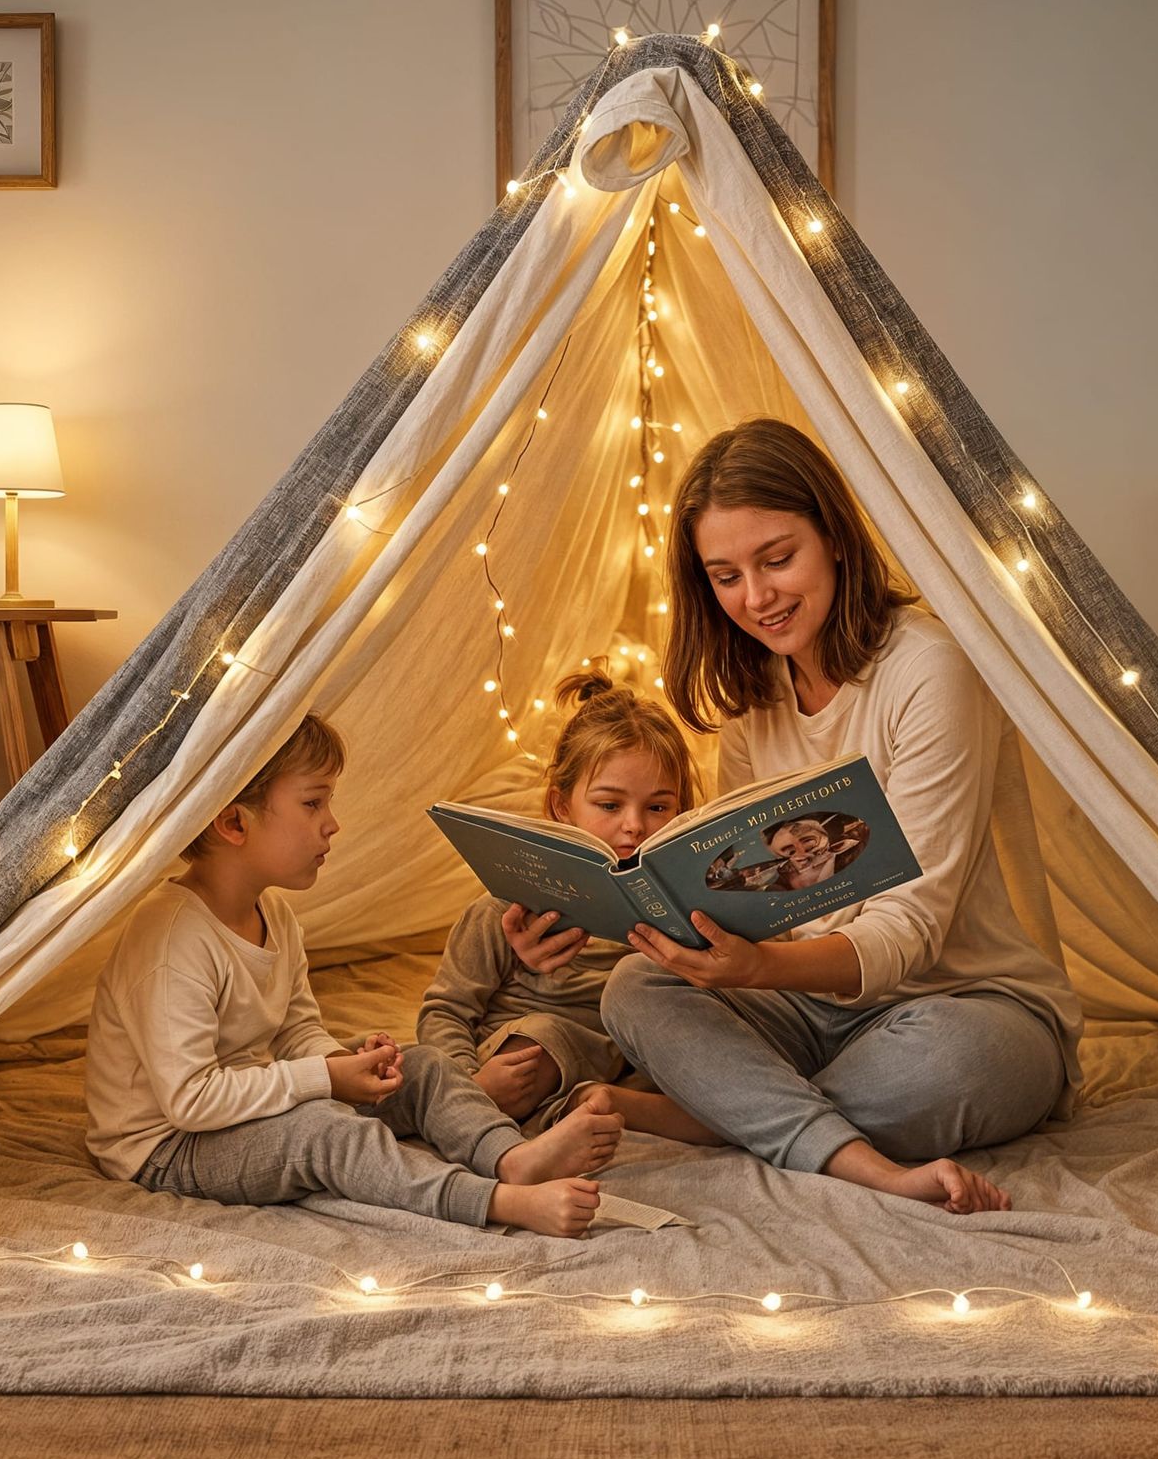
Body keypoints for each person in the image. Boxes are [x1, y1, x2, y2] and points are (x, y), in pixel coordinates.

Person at [600, 418, 1086, 1215]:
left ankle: (724, 1113)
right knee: (634, 990)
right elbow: (754, 902)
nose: (756, 598)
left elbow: (911, 929)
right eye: (725, 575)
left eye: (777, 559)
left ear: (833, 537)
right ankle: (804, 1126)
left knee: (958, 1066)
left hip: (965, 1007)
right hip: (810, 1005)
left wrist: (758, 971)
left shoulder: (929, 668)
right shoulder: (753, 696)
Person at [84, 714, 623, 1238]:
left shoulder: (276, 917)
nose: (331, 823)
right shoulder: (171, 937)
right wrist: (324, 1080)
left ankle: (510, 1157)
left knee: (426, 1065)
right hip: (172, 1144)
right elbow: (191, 1101)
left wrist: (345, 1062)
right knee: (327, 1133)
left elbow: (294, 1032)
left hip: (250, 1102)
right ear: (233, 823)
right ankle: (496, 1200)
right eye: (313, 802)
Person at [419, 669, 721, 1145]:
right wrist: (464, 1083)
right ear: (562, 807)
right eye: (609, 806)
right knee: (536, 1047)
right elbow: (445, 1010)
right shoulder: (505, 907)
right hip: (519, 1051)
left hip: (616, 1061)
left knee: (715, 1092)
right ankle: (473, 1118)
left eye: (659, 808)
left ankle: (578, 1111)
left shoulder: (679, 908)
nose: (634, 827)